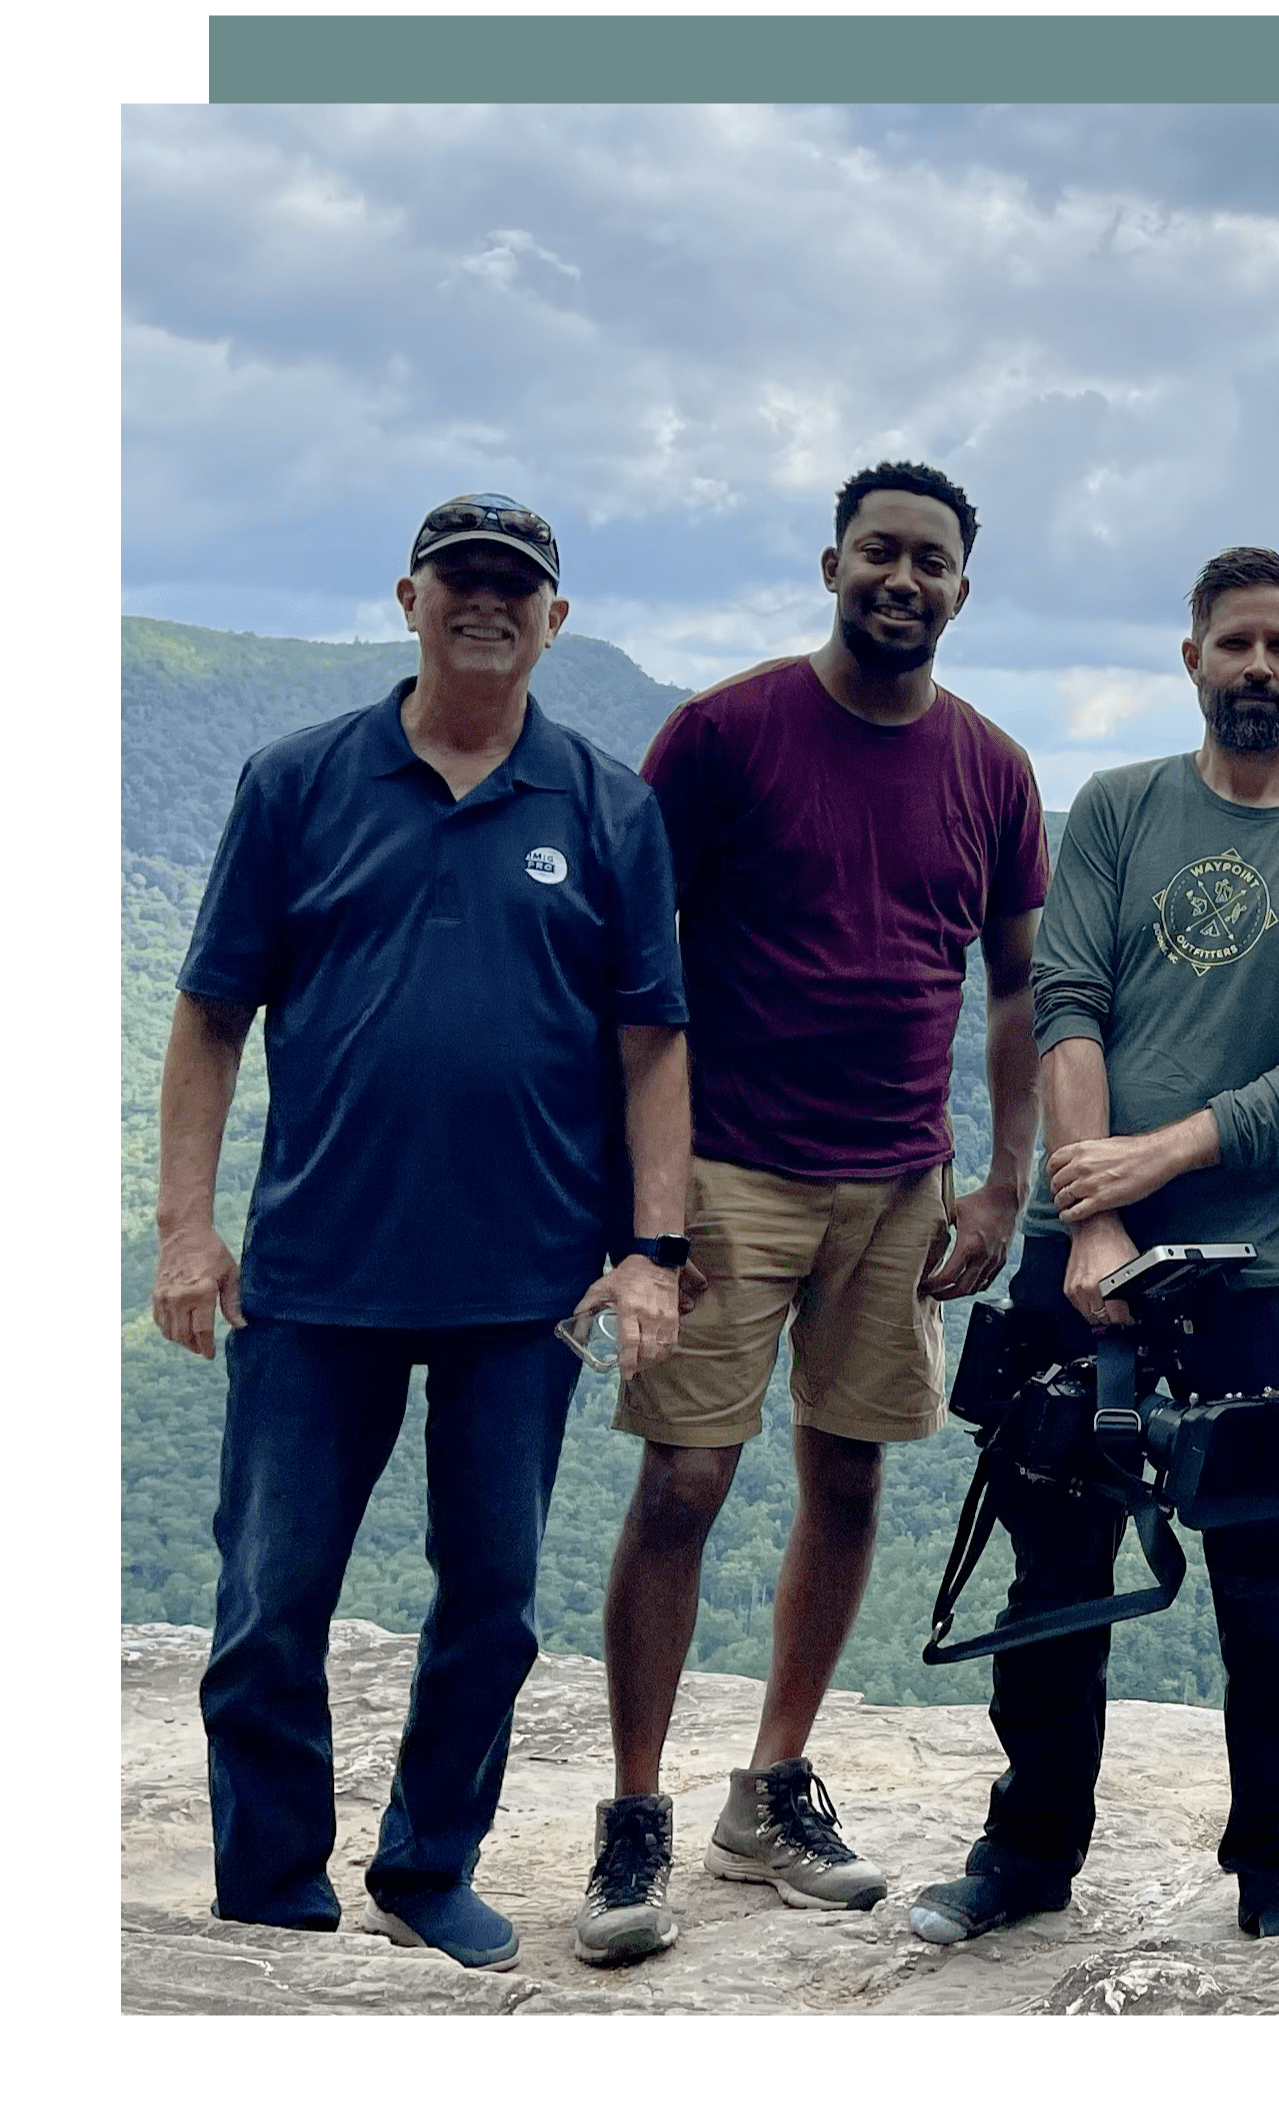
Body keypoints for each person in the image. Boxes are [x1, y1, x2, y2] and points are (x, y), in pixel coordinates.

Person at [153, 494, 692, 1972]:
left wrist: (654, 1249)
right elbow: (209, 1013)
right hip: (317, 1272)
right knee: (270, 1597)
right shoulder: (298, 781)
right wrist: (185, 1232)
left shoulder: (605, 805)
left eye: (516, 586)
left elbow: (654, 1041)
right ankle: (271, 1892)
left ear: (554, 620)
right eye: (462, 578)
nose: (487, 603)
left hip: (524, 1284)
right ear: (408, 596)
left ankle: (426, 1863)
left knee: (494, 1600)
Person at [574, 462, 1049, 1968]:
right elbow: (634, 966)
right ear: (830, 564)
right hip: (727, 1168)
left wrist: (1003, 1178)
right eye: (879, 553)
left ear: (966, 587)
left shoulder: (993, 767)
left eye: (932, 560)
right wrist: (635, 1201)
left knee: (846, 1477)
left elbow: (1020, 983)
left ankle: (769, 1790)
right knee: (688, 1480)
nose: (903, 579)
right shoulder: (724, 731)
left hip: (901, 1180)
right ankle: (634, 1809)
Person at [907, 546, 1279, 1947]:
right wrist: (1099, 1215)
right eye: (1235, 642)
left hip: (1265, 1265)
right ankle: (1027, 1852)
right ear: (1189, 656)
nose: (1258, 666)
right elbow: (1066, 997)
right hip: (1085, 1257)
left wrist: (1164, 1152)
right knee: (1054, 1562)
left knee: (1265, 1579)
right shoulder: (1124, 808)